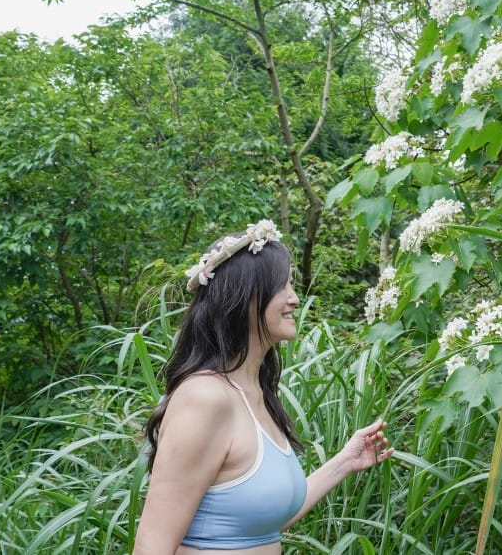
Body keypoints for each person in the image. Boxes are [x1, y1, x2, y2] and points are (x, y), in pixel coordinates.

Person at [134, 219, 393, 554]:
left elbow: (262, 522)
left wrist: (345, 461)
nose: (295, 299)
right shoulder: (205, 398)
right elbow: (151, 546)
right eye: (283, 286)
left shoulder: (255, 394)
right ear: (246, 296)